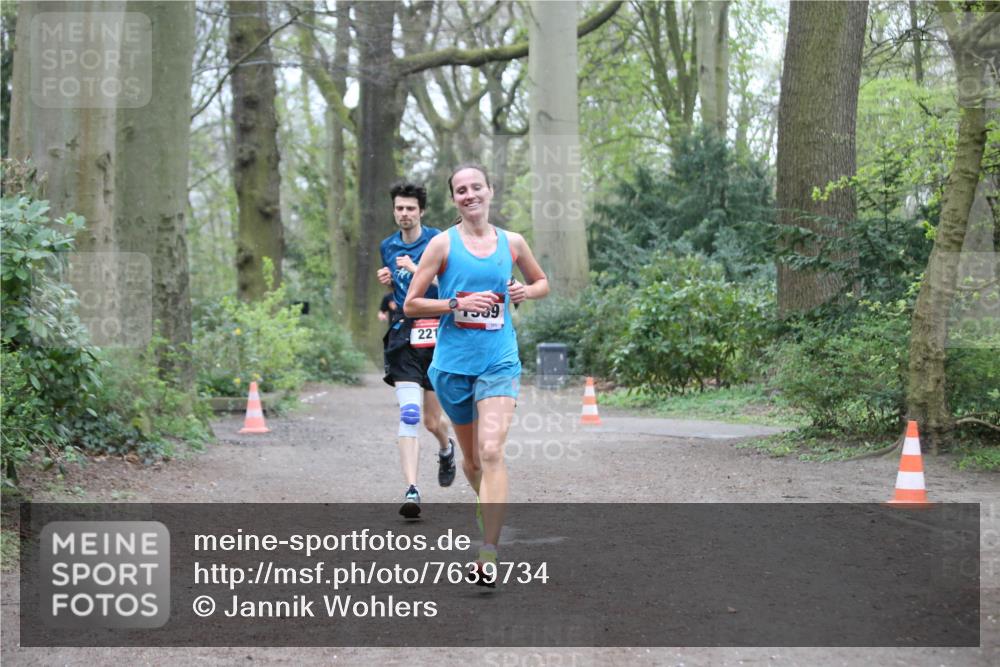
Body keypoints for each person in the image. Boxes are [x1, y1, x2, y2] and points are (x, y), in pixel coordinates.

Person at [404, 164, 549, 586]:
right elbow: (413, 304)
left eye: (476, 187)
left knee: (490, 451)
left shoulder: (513, 242)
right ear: (454, 200)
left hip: (498, 361)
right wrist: (453, 305)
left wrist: (525, 290)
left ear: (490, 190)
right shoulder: (441, 246)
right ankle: (490, 505)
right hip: (451, 368)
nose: (470, 195)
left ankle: (488, 552)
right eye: (461, 190)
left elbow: (542, 282)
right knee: (470, 460)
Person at [377, 181, 457, 519]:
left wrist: (417, 270)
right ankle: (412, 488)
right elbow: (399, 291)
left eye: (410, 208)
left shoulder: (440, 240)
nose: (404, 214)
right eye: (399, 208)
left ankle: (446, 447)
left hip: (437, 337)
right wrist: (390, 281)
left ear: (421, 211)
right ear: (394, 211)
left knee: (431, 420)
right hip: (404, 336)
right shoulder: (388, 246)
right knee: (409, 415)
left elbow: (453, 286)